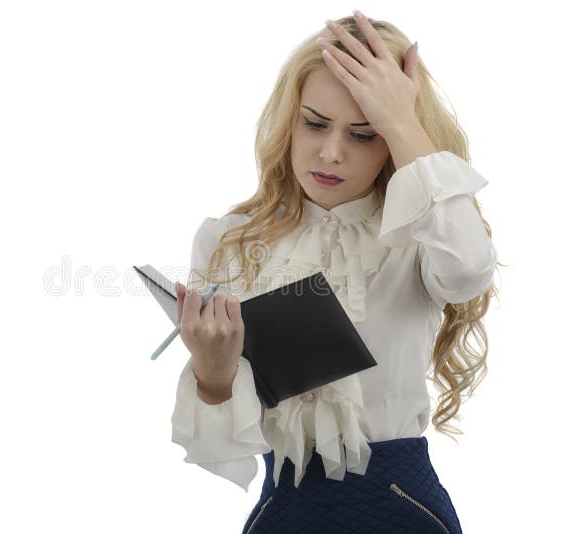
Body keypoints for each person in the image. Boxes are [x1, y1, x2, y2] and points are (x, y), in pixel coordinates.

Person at [170, 10, 500, 534]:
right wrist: (212, 377)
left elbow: (469, 271)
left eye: (365, 134)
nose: (330, 152)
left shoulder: (423, 231)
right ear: (289, 118)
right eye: (315, 123)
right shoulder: (228, 239)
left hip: (403, 509)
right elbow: (219, 451)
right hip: (284, 512)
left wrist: (403, 119)